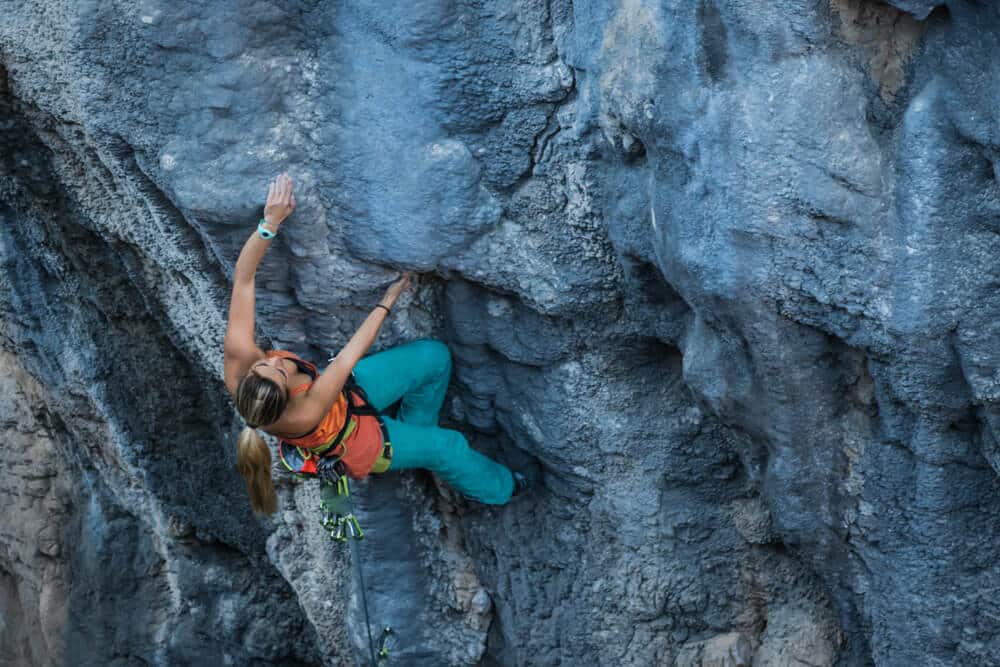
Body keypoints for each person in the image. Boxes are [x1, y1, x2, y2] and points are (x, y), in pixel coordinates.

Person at [223, 173, 529, 515]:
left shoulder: (240, 364)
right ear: (285, 398)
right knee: (447, 447)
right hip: (360, 440)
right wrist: (388, 300)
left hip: (347, 395)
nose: (277, 362)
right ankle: (501, 490)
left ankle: (417, 432)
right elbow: (348, 357)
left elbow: (244, 280)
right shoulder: (303, 412)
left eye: (267, 362)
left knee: (433, 357)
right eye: (280, 373)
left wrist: (269, 223)